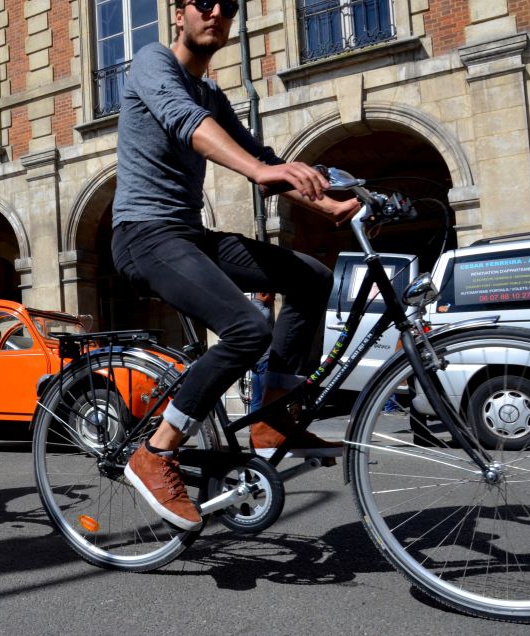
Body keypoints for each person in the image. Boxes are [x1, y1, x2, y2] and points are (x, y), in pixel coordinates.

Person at [112, 0, 361, 530]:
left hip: (189, 236)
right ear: (178, 13)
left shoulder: (212, 93)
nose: (218, 13)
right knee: (248, 326)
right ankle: (157, 450)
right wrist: (257, 170)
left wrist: (333, 203)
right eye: (204, 3)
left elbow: (265, 160)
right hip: (143, 234)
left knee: (310, 277)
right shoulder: (151, 61)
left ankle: (272, 417)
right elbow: (186, 124)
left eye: (230, 6)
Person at [249, 291, 275, 414]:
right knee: (267, 399)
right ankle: (265, 428)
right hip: (265, 358)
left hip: (254, 359)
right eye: (273, 295)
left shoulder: (248, 307)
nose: (274, 298)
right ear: (264, 293)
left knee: (257, 398)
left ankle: (253, 428)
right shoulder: (265, 311)